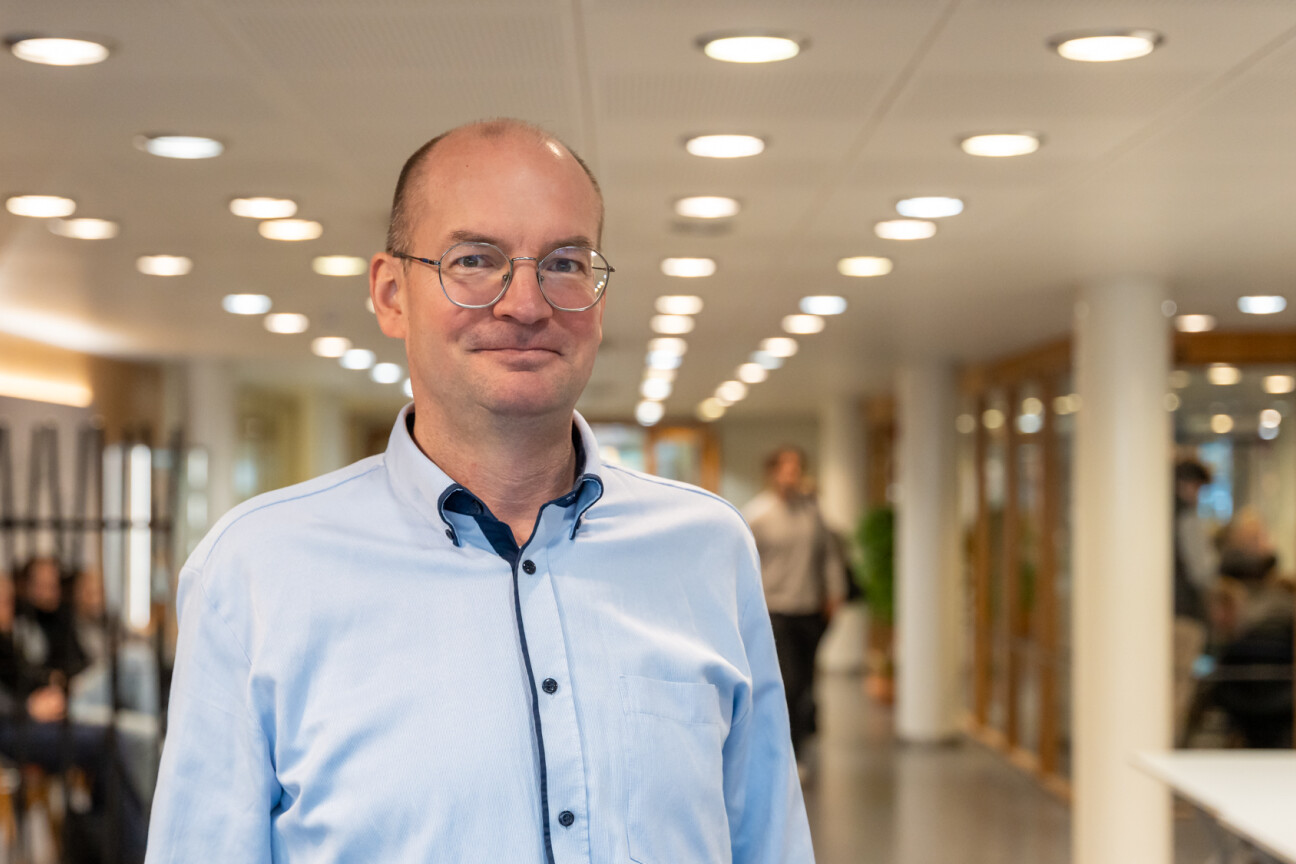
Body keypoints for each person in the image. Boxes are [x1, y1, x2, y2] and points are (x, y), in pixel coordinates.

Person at [146, 119, 813, 863]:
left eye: (564, 262)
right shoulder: (257, 570)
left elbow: (770, 841)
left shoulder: (706, 549)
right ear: (391, 293)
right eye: (474, 259)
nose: (526, 303)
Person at [742, 447, 847, 765]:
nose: (792, 475)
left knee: (806, 681)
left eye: (797, 468)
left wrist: (835, 591)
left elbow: (828, 554)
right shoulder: (757, 514)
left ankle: (802, 736)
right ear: (772, 473)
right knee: (787, 682)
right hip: (776, 611)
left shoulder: (812, 512)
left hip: (811, 610)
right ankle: (788, 754)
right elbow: (744, 564)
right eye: (786, 469)